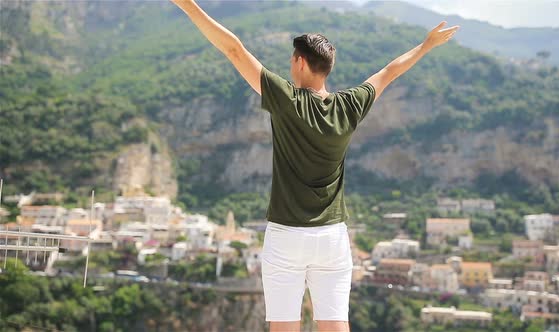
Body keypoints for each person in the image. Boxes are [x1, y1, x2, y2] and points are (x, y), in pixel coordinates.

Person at [170, 1, 459, 331]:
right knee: (336, 325)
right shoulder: (349, 105)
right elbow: (390, 72)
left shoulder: (287, 99)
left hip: (286, 235)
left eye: (292, 60)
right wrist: (426, 45)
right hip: (332, 238)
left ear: (300, 62)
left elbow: (234, 50)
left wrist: (188, 6)